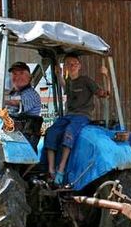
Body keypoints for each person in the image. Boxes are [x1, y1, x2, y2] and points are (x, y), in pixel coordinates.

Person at [45, 55, 109, 186]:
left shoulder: (86, 81)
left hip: (82, 115)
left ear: (80, 66)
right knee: (51, 132)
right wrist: (59, 75)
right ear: (66, 67)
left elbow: (105, 94)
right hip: (69, 115)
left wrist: (106, 76)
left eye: (75, 63)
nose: (72, 65)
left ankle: (61, 170)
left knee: (69, 132)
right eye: (69, 63)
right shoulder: (69, 81)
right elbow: (64, 86)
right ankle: (51, 170)